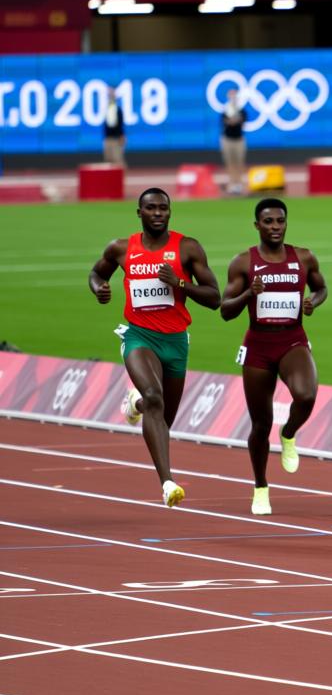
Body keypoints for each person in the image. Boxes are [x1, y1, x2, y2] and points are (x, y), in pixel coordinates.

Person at [87, 188, 220, 507]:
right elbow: (96, 274)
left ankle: (136, 404)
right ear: (140, 213)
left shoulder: (187, 248)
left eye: (164, 208)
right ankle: (167, 483)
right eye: (151, 208)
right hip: (139, 337)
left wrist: (180, 284)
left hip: (176, 341)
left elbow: (215, 298)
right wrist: (99, 289)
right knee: (155, 396)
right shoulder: (121, 248)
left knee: (163, 418)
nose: (158, 213)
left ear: (170, 212)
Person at [220, 198, 328, 515]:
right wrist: (248, 294)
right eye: (268, 222)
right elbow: (225, 311)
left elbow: (321, 289)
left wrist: (313, 301)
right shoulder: (243, 263)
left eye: (280, 221)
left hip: (292, 340)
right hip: (258, 346)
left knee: (306, 396)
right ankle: (261, 487)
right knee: (260, 423)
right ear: (257, 226)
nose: (275, 227)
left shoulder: (303, 258)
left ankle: (290, 432)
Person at [220, 88, 248, 195]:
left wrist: (234, 120)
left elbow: (241, 121)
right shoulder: (225, 110)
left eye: (234, 95)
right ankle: (232, 184)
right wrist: (233, 121)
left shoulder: (241, 110)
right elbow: (226, 122)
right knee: (230, 163)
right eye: (231, 96)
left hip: (239, 140)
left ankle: (239, 184)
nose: (233, 98)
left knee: (239, 163)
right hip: (227, 140)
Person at [103, 84, 126, 168]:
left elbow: (120, 124)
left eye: (112, 93)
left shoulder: (118, 109)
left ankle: (121, 179)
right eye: (109, 94)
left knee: (118, 161)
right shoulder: (107, 109)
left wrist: (122, 136)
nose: (110, 95)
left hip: (116, 139)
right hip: (108, 139)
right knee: (108, 162)